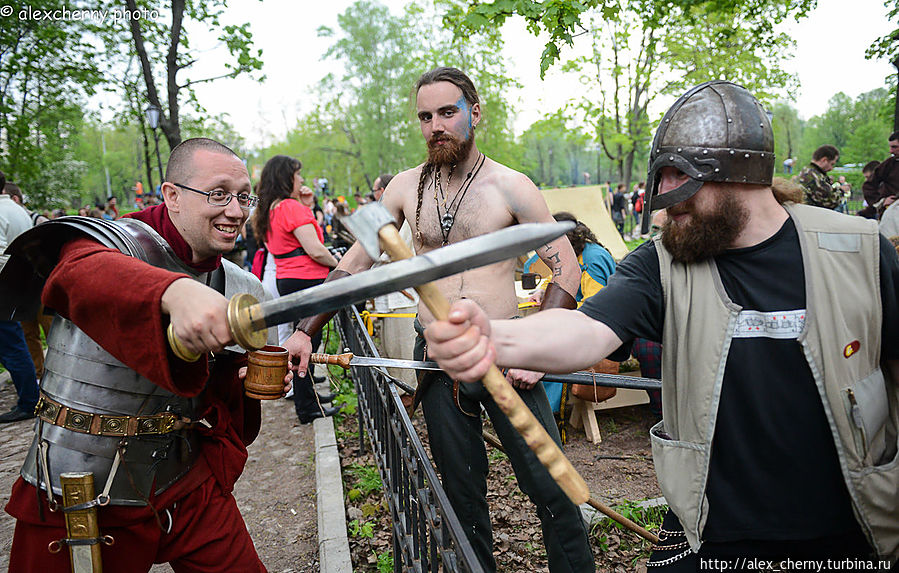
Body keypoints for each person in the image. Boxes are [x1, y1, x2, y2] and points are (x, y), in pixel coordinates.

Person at [424, 81, 899, 565]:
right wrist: (492, 336)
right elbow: (587, 331)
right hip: (713, 537)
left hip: (852, 535)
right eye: (662, 177)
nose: (668, 200)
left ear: (741, 173)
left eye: (683, 178)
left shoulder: (860, 253)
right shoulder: (662, 263)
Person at [284, 67, 593, 572]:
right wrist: (304, 330)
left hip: (506, 356)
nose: (435, 126)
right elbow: (352, 267)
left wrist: (537, 344)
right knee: (462, 505)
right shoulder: (405, 188)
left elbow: (567, 267)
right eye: (425, 117)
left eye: (447, 112)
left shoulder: (511, 186)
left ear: (475, 112)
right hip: (438, 362)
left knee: (556, 493)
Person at [1, 138, 287, 571]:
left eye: (244, 196)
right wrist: (172, 290)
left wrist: (241, 377)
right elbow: (75, 274)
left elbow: (206, 386)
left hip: (184, 475)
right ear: (172, 195)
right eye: (218, 194)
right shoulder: (111, 244)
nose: (235, 209)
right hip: (81, 486)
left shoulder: (234, 281)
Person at [252, 155, 339, 424]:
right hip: (307, 279)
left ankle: (310, 398)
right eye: (297, 174)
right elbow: (315, 248)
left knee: (303, 338)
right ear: (285, 177)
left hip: (287, 278)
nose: (301, 179)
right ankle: (307, 406)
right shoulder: (290, 207)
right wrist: (340, 267)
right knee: (308, 340)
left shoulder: (272, 208)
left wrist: (307, 205)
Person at [0, 171, 39, 423]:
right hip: (17, 281)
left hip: (4, 284)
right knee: (14, 343)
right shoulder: (15, 209)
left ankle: (29, 401)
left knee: (13, 345)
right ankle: (29, 398)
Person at [862, 132, 899, 217]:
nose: (891, 151)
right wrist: (880, 202)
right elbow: (869, 186)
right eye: (890, 147)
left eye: (895, 147)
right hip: (891, 215)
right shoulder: (889, 165)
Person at [795, 145, 841, 209]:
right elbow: (832, 201)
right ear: (824, 160)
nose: (831, 168)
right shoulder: (814, 176)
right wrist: (842, 191)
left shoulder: (807, 170)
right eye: (832, 164)